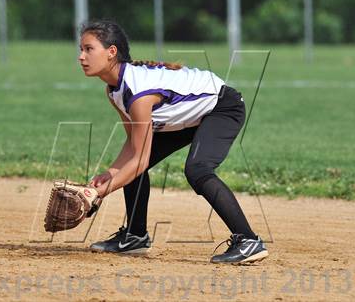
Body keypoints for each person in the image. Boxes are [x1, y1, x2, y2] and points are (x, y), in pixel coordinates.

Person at [78, 20, 268, 264]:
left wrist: (98, 193)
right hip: (190, 115)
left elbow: (138, 160)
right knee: (133, 168)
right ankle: (135, 237)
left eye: (88, 49)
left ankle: (248, 240)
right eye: (81, 49)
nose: (81, 56)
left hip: (222, 107)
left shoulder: (137, 94)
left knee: (197, 170)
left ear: (111, 52)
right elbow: (133, 147)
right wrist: (108, 175)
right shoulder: (114, 90)